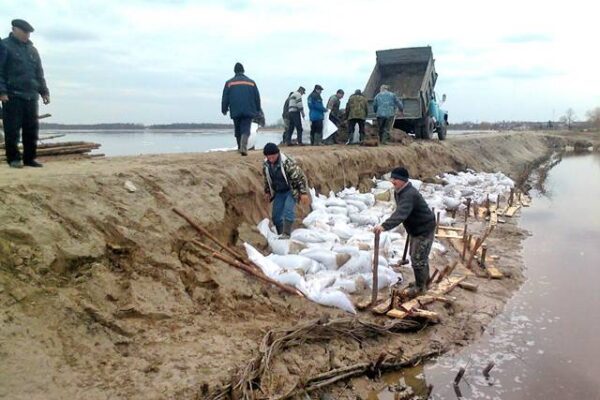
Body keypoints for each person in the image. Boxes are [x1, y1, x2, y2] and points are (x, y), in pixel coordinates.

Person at [374, 167, 436, 297]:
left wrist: (384, 226)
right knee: (417, 256)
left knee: (418, 259)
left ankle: (420, 288)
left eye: (395, 179)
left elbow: (401, 213)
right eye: (392, 178)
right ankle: (424, 281)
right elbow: (400, 211)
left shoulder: (409, 194)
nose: (393, 181)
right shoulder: (400, 191)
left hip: (424, 228)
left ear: (403, 180)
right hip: (416, 228)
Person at [1, 19, 50, 168]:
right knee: (12, 130)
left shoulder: (32, 50)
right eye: (24, 32)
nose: (27, 35)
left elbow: (39, 73)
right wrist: (2, 91)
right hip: (12, 95)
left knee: (31, 130)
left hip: (31, 95)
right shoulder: (4, 46)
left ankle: (30, 158)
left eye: (28, 33)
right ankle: (14, 159)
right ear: (14, 29)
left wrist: (44, 91)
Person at [262, 142, 310, 238]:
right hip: (279, 191)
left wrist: (303, 193)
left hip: (291, 190)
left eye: (273, 157)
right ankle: (280, 233)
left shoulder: (287, 163)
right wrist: (267, 191)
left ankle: (287, 234)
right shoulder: (266, 165)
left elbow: (299, 178)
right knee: (276, 216)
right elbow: (267, 179)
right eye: (268, 157)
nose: (271, 159)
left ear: (277, 154)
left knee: (288, 210)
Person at [221, 62, 261, 156]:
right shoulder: (251, 82)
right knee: (245, 129)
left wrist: (224, 109)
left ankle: (240, 147)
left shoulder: (229, 83)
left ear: (234, 71)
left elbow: (225, 98)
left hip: (235, 109)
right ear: (243, 70)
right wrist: (258, 109)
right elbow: (257, 97)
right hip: (249, 109)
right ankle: (243, 147)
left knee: (238, 129)